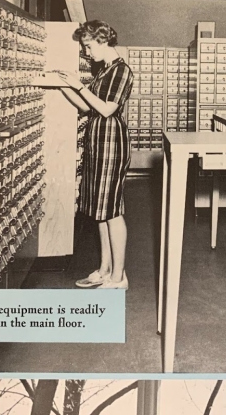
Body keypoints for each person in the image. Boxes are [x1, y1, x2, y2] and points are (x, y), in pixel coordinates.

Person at [56, 20, 134, 289]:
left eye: (88, 46)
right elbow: (85, 106)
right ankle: (104, 269)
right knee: (100, 210)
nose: (87, 52)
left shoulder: (121, 70)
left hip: (112, 141)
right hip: (98, 140)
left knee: (111, 210)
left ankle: (118, 277)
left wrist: (79, 86)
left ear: (102, 40)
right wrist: (63, 84)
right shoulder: (105, 71)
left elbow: (107, 110)